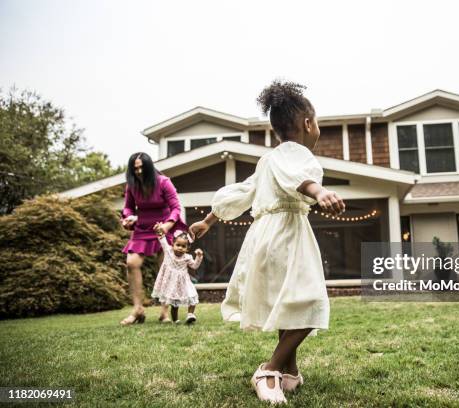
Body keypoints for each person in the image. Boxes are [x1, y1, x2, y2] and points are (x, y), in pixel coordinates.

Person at [189, 80, 345, 403]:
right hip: (287, 233)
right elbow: (297, 179)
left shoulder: (267, 161)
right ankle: (269, 369)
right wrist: (320, 191)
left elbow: (241, 192)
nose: (317, 129)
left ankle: (290, 373)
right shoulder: (297, 155)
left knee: (286, 303)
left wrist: (208, 220)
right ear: (306, 124)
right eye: (316, 123)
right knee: (312, 302)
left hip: (263, 237)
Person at [120, 152, 188, 326]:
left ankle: (164, 312)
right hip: (142, 228)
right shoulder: (132, 185)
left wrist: (167, 225)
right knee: (131, 263)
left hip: (164, 227)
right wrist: (127, 218)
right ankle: (138, 309)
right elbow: (127, 208)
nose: (139, 172)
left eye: (142, 167)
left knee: (165, 268)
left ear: (150, 167)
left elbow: (175, 207)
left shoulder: (164, 182)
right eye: (135, 169)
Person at [151, 225, 203, 324]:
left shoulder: (187, 257)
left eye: (183, 246)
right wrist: (158, 230)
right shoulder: (168, 251)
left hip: (184, 282)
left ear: (187, 248)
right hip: (171, 282)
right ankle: (175, 320)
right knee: (175, 304)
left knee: (192, 296)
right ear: (173, 244)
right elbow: (161, 238)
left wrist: (199, 257)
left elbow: (195, 266)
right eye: (178, 245)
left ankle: (190, 314)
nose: (180, 248)